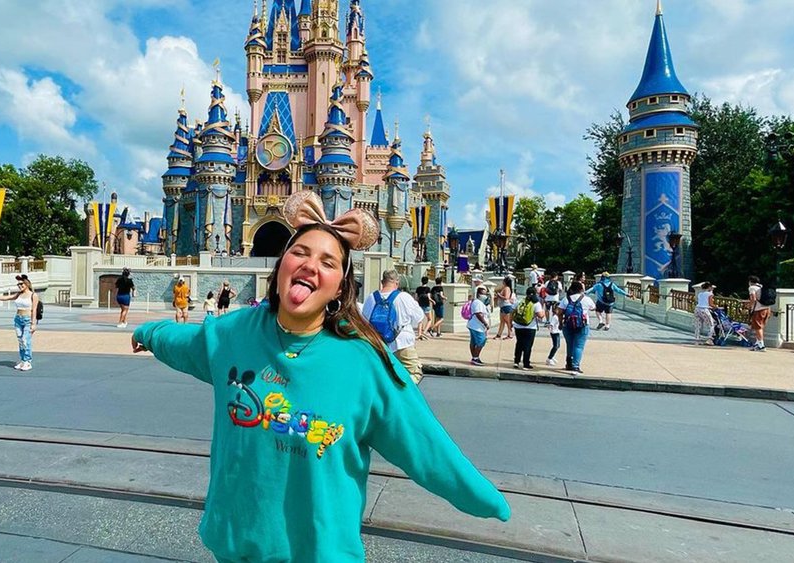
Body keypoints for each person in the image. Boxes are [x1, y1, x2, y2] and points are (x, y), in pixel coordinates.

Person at [130, 191, 510, 561]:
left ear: (340, 287)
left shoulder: (364, 362)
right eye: (300, 252)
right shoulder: (233, 333)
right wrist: (148, 332)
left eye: (328, 262)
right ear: (281, 265)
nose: (310, 265)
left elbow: (424, 443)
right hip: (235, 546)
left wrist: (482, 497)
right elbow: (184, 341)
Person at [362, 269, 426, 384]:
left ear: (382, 282)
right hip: (402, 344)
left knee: (383, 375)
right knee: (414, 373)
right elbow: (419, 317)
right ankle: (404, 392)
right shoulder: (404, 297)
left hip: (379, 345)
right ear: (397, 282)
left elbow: (364, 321)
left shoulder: (371, 298)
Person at [0, 274, 39, 371]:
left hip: (28, 320)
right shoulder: (19, 294)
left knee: (25, 340)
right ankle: (23, 360)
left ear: (26, 284)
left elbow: (34, 310)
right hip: (18, 319)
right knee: (21, 341)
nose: (19, 286)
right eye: (18, 284)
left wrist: (33, 324)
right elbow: (8, 297)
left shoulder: (33, 295)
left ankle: (27, 361)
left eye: (21, 284)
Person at [557, 281, 596, 374]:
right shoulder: (586, 299)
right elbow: (593, 308)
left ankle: (569, 363)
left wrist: (560, 323)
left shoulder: (566, 299)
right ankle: (575, 366)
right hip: (582, 325)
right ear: (581, 289)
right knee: (579, 346)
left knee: (569, 344)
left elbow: (559, 312)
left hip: (568, 324)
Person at [512, 286, 545, 370]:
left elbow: (512, 311)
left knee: (519, 343)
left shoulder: (519, 301)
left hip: (518, 326)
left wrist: (510, 324)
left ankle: (516, 361)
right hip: (530, 327)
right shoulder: (536, 303)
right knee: (528, 345)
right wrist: (543, 312)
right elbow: (540, 315)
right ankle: (526, 364)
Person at [466, 286, 491, 365]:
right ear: (479, 295)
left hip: (475, 325)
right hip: (477, 326)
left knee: (474, 342)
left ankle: (475, 357)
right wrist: (485, 324)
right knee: (481, 341)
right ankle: (475, 358)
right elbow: (478, 314)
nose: (485, 296)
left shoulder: (479, 302)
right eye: (484, 294)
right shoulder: (478, 303)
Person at [747, 275, 771, 351]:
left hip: (758, 310)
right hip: (767, 309)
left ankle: (761, 345)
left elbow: (753, 299)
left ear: (750, 281)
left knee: (758, 327)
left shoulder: (752, 288)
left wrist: (749, 306)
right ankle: (757, 344)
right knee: (761, 327)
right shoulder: (761, 287)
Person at [545, 302, 562, 366]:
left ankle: (552, 356)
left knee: (557, 345)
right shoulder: (555, 317)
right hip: (554, 332)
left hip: (557, 332)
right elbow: (551, 324)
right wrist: (550, 328)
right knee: (556, 346)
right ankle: (549, 358)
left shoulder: (559, 316)